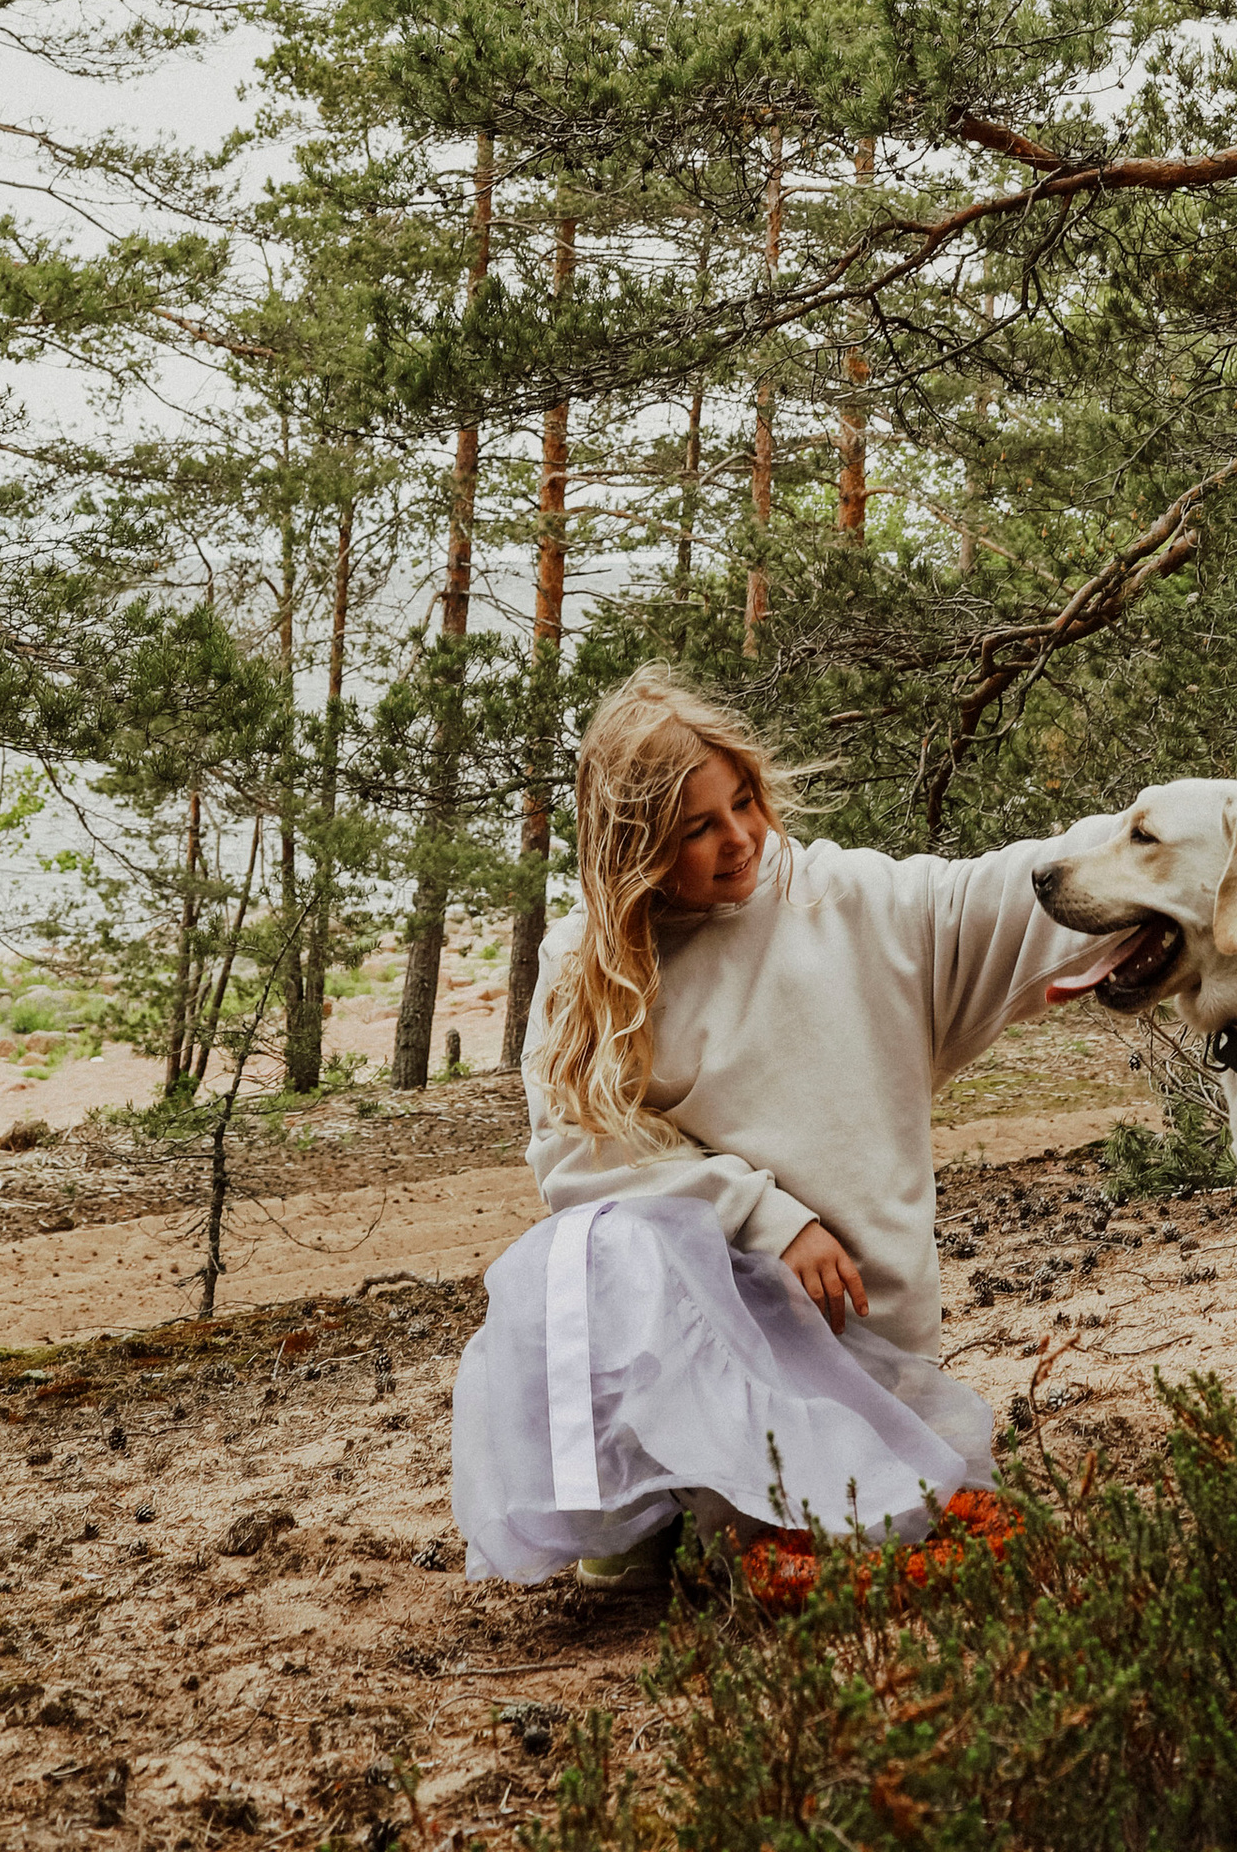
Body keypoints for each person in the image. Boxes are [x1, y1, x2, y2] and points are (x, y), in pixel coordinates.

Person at [449, 664, 1115, 1585]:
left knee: (844, 1531)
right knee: (585, 1250)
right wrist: (770, 1217)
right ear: (636, 848)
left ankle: (732, 1508)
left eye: (746, 802)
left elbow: (1004, 894)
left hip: (861, 1338)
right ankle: (641, 1512)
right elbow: (579, 1151)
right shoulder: (588, 965)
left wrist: (1166, 843)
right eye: (699, 829)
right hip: (717, 1338)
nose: (742, 838)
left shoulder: (843, 900)